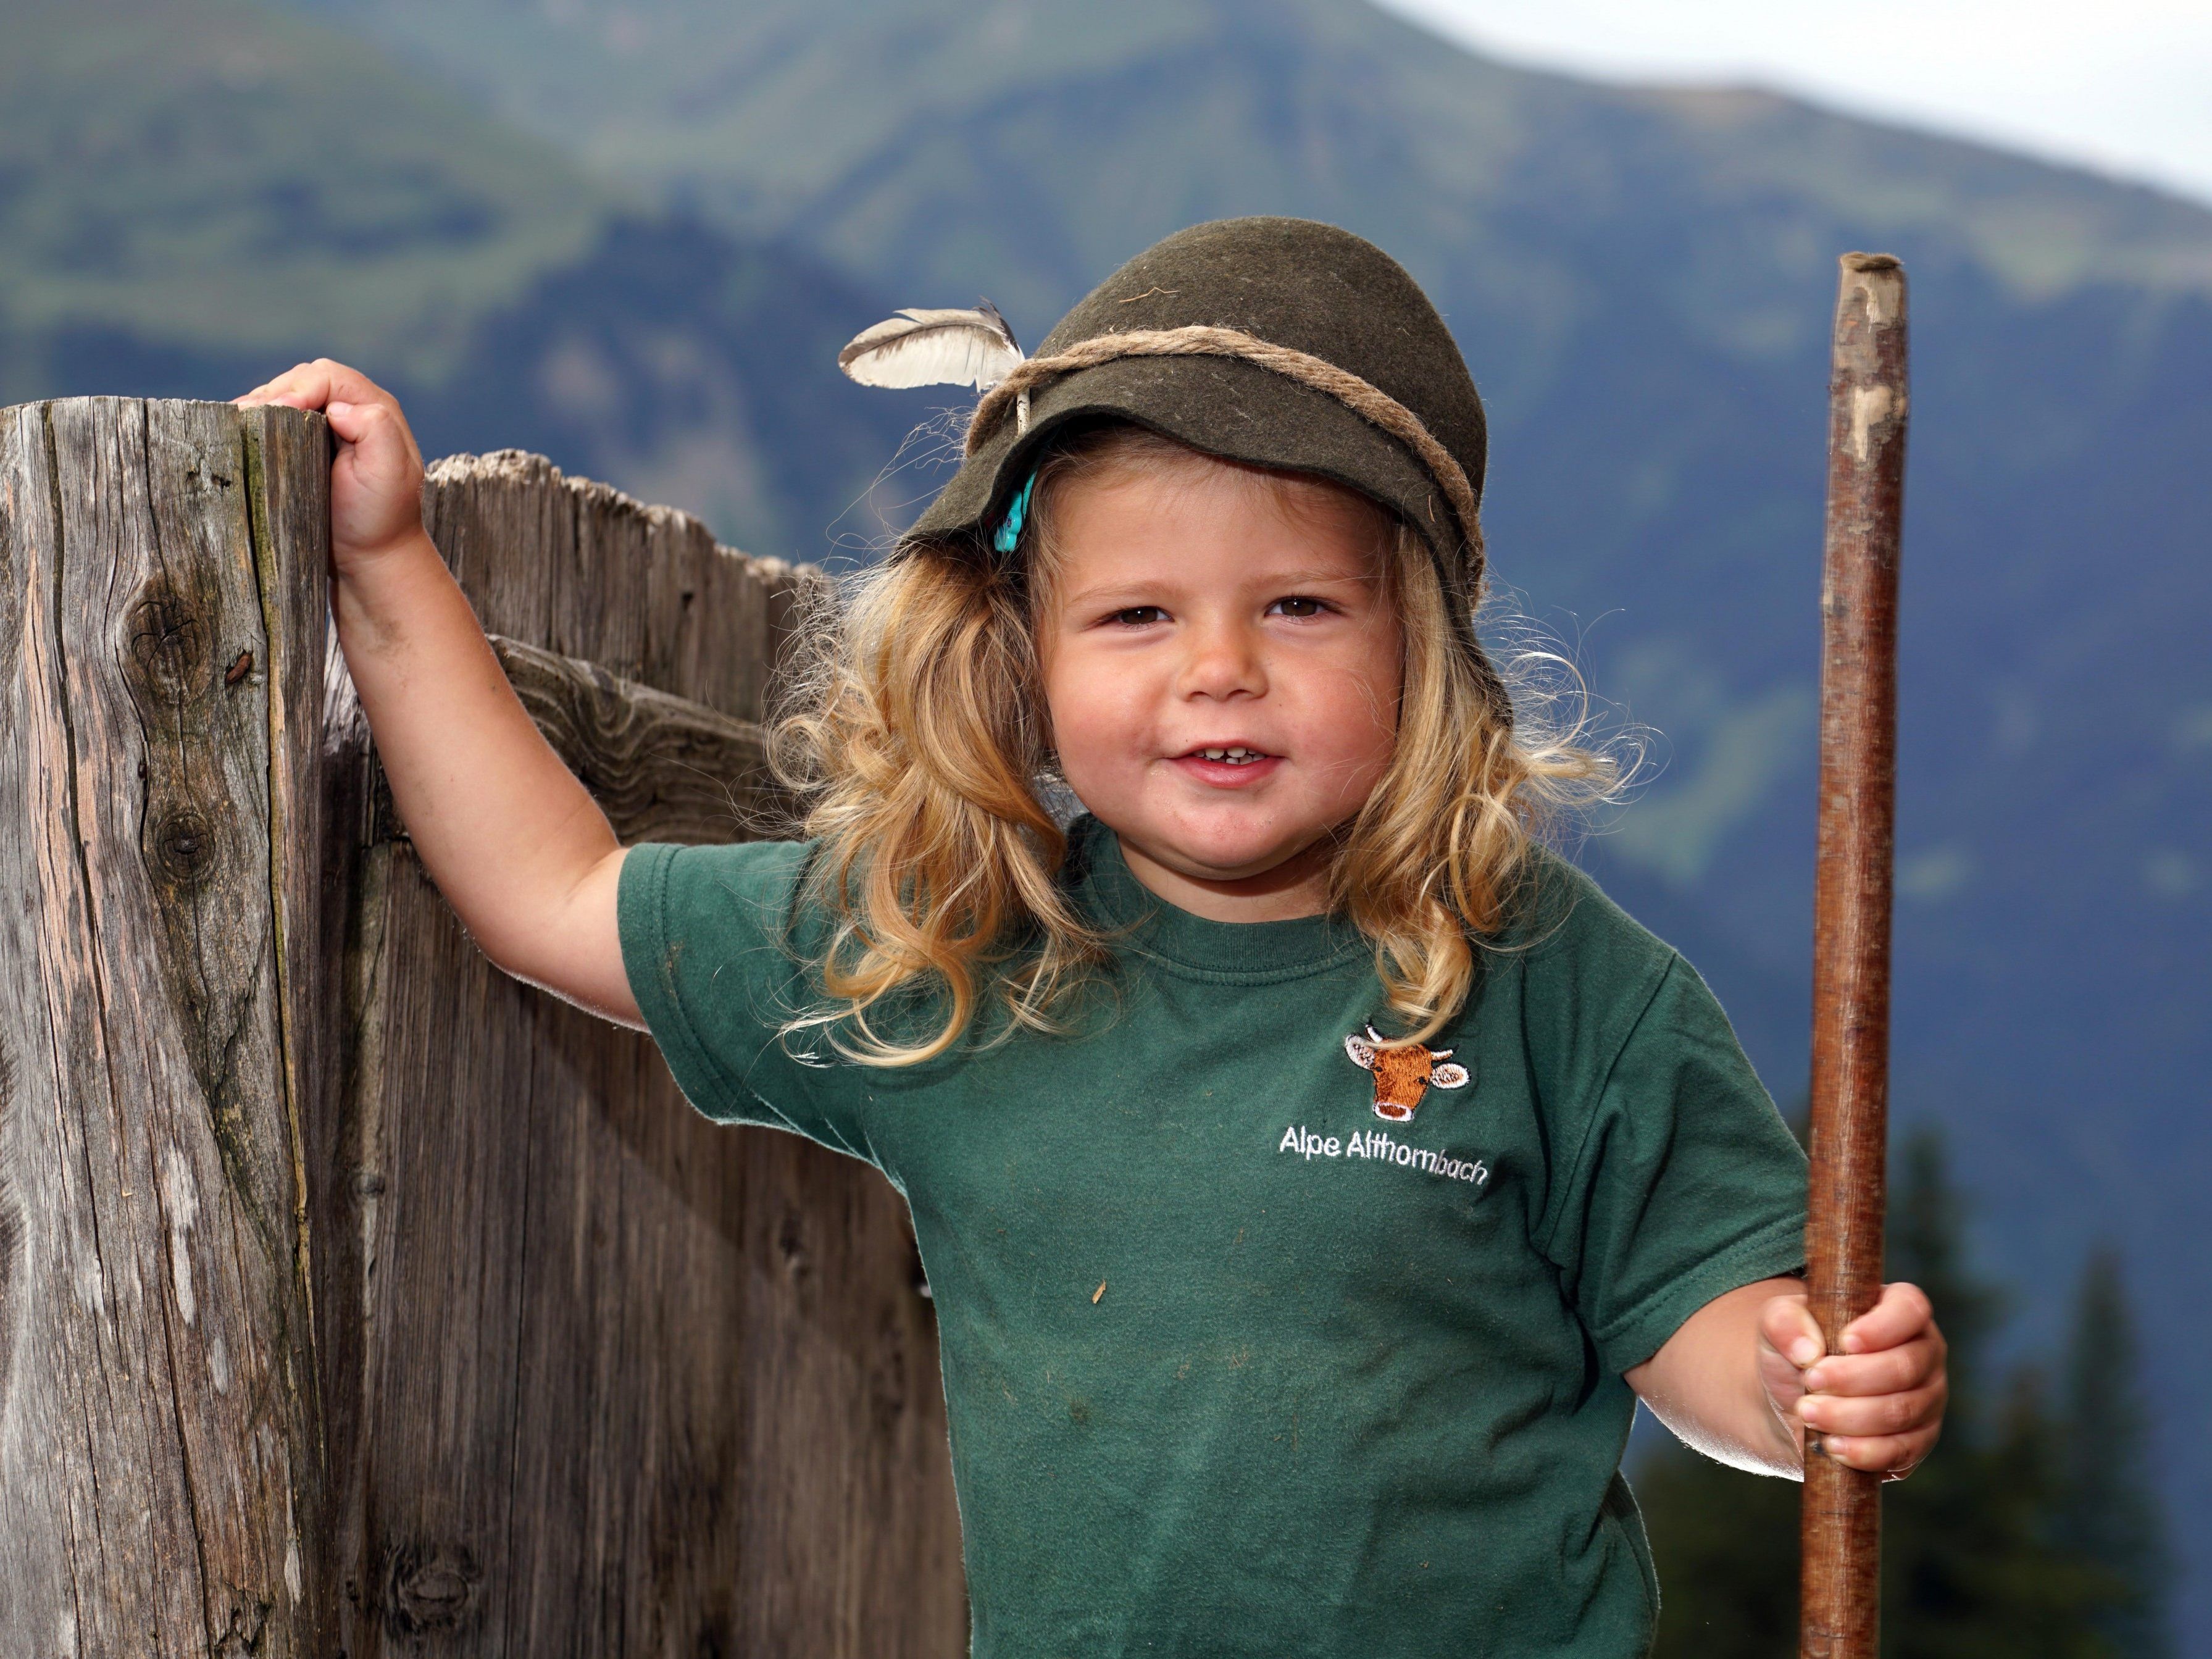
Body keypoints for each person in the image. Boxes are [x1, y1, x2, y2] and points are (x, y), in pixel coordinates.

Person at [240, 216, 1946, 1657]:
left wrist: (1806, 1389)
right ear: (1025, 653)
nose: (1220, 669)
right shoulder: (964, 958)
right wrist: (387, 565)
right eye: (1137, 614)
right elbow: (553, 899)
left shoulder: (1562, 985)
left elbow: (1702, 1336)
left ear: (1419, 643)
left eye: (1298, 606)